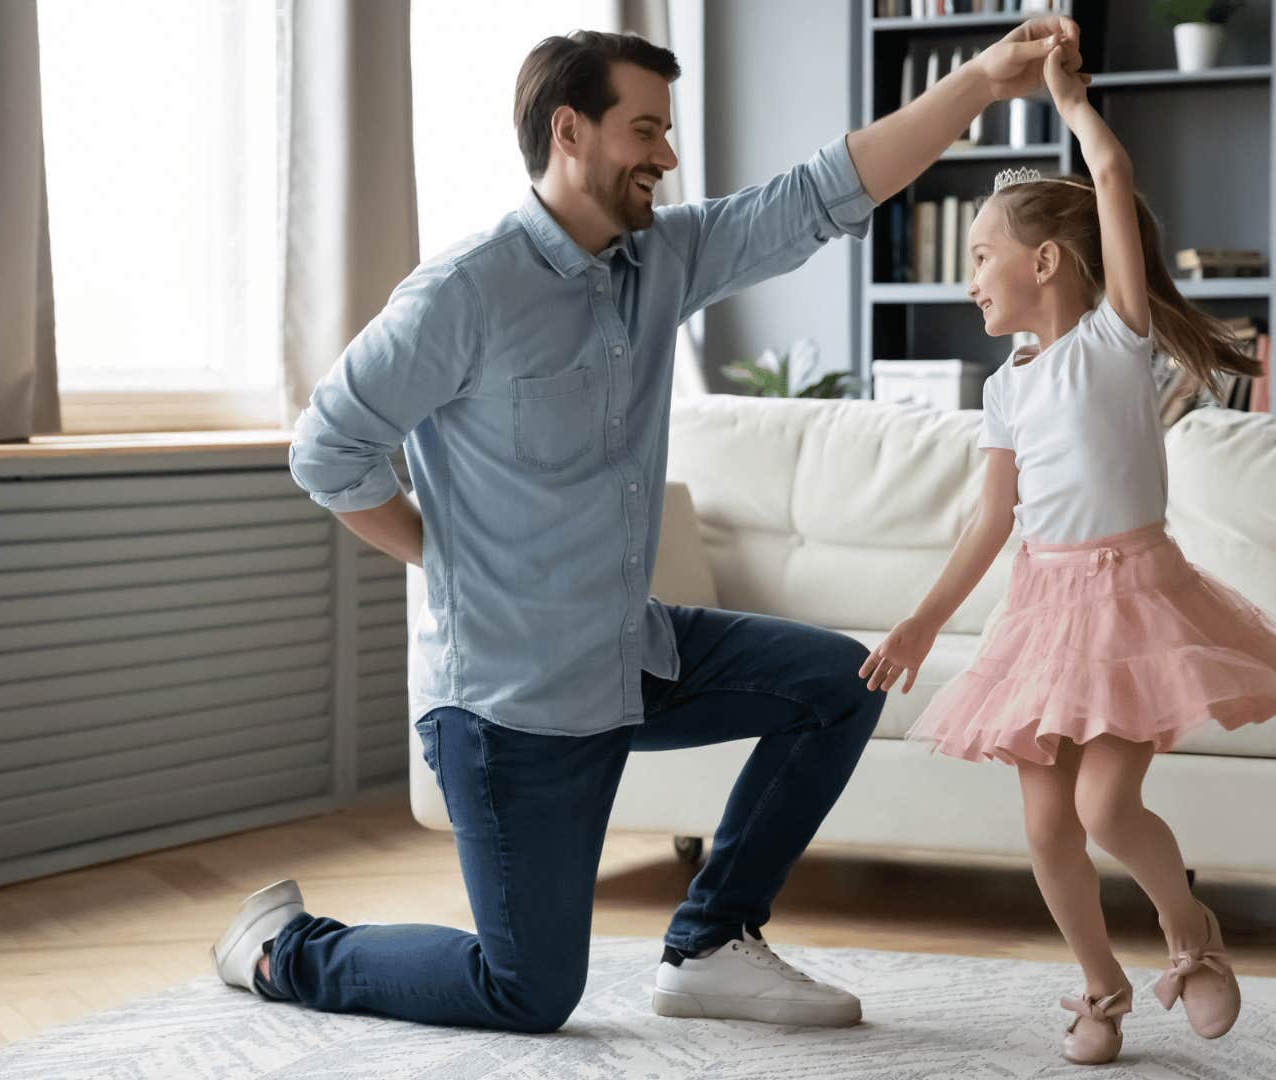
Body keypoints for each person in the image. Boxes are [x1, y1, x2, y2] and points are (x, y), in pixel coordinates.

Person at [215, 18, 1087, 1034]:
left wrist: (981, 81)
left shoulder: (661, 258)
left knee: (837, 687)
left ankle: (712, 941)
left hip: (631, 654)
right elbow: (327, 450)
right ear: (570, 130)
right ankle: (284, 950)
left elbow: (822, 192)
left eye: (669, 132)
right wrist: (449, 559)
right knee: (528, 991)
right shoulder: (464, 293)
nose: (667, 158)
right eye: (646, 130)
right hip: (511, 706)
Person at [859, 33, 1276, 1067]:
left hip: (1135, 603)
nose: (967, 280)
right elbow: (992, 522)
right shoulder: (1005, 388)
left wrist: (1070, 102)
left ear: (1045, 263)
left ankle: (1191, 938)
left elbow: (1113, 174)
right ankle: (1099, 988)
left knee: (1105, 804)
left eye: (978, 256)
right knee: (1044, 830)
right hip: (1042, 614)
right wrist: (921, 621)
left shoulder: (1117, 345)